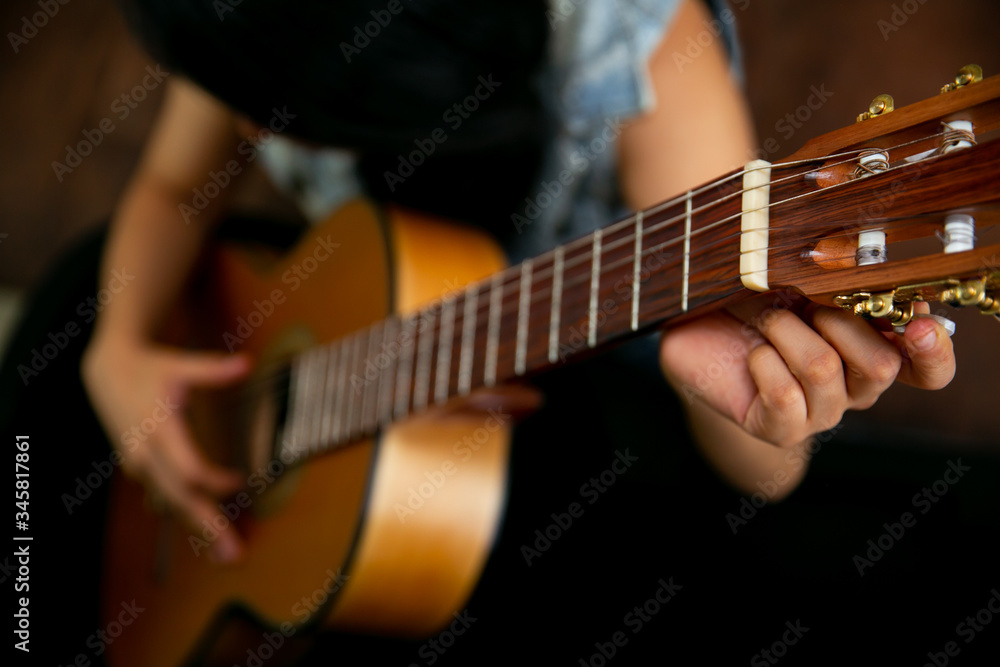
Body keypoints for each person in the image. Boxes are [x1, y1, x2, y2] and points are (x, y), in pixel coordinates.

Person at [2, 0, 959, 664]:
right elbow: (171, 188)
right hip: (340, 315)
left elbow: (767, 466)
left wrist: (767, 414)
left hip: (594, 412)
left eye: (286, 123)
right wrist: (116, 349)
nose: (254, 132)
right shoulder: (254, 30)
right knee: (74, 319)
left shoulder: (644, 50)